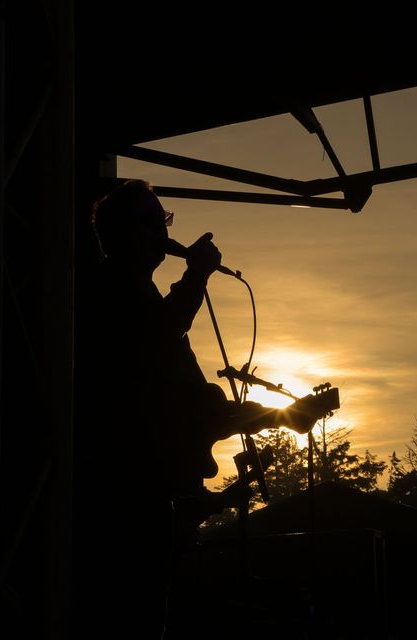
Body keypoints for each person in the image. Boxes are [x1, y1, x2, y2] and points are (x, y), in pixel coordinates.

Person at [72, 179, 318, 638]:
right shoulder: (110, 292)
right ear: (129, 231)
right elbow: (153, 342)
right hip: (123, 500)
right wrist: (196, 275)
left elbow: (185, 411)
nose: (165, 231)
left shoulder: (140, 296)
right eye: (156, 220)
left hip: (149, 496)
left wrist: (269, 415)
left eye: (165, 220)